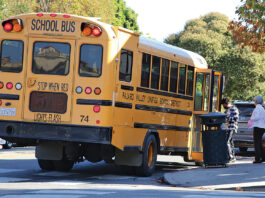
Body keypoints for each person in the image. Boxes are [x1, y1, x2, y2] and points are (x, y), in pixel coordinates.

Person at [221, 98, 239, 162]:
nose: (223, 106)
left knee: (227, 141)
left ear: (227, 103)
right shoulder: (228, 109)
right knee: (230, 142)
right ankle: (233, 157)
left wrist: (226, 117)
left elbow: (235, 118)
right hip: (228, 127)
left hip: (232, 127)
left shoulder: (233, 109)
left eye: (224, 105)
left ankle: (230, 157)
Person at [248, 96, 265, 163]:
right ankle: (263, 157)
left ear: (257, 101)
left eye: (254, 101)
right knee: (260, 142)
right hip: (262, 126)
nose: (254, 102)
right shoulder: (263, 109)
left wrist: (251, 118)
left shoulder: (257, 108)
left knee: (257, 143)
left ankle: (257, 159)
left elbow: (256, 117)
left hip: (258, 126)